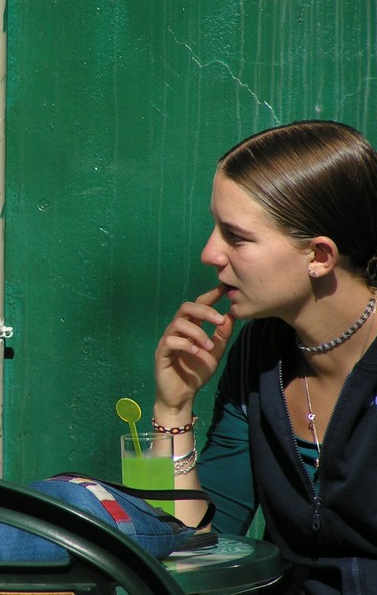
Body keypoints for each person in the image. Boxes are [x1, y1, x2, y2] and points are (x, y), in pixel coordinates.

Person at [154, 120, 377, 594]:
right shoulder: (261, 354)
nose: (210, 253)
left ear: (318, 255)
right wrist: (173, 407)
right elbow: (199, 551)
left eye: (235, 237)